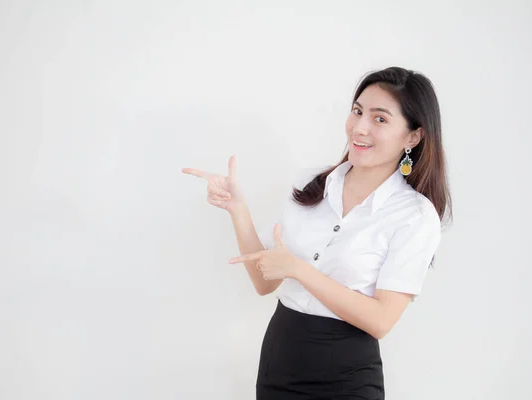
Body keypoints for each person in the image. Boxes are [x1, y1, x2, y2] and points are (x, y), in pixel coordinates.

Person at [182, 66, 452, 399]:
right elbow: (264, 281)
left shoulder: (414, 215)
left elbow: (381, 320)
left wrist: (300, 271)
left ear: (413, 136)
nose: (360, 127)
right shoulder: (310, 184)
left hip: (347, 375)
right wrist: (237, 208)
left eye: (380, 119)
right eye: (357, 111)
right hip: (280, 362)